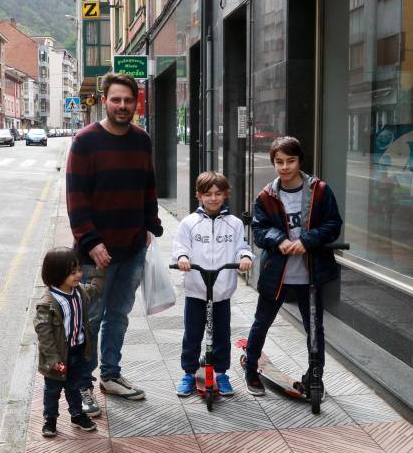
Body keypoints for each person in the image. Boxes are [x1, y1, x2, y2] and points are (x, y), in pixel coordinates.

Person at [66, 72, 163, 415]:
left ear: (136, 102)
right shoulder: (85, 141)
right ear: (104, 101)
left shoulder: (142, 140)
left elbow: (148, 186)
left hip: (133, 247)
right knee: (91, 319)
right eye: (116, 100)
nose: (122, 106)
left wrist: (151, 225)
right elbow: (76, 199)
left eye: (128, 100)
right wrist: (91, 242)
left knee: (119, 315)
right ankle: (82, 384)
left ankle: (110, 375)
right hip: (96, 255)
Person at [244, 137, 343, 396]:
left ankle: (315, 376)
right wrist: (279, 241)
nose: (285, 167)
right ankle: (251, 370)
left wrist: (307, 241)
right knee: (261, 322)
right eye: (279, 162)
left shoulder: (320, 190)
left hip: (311, 274)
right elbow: (258, 229)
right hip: (277, 273)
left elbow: (333, 225)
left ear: (300, 161)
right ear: (273, 163)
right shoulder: (267, 195)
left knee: (314, 328)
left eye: (290, 161)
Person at [172, 171, 254, 396]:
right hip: (196, 289)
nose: (213, 198)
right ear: (199, 195)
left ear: (226, 194)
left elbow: (241, 247)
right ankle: (189, 373)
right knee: (193, 333)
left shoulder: (234, 224)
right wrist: (182, 258)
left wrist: (245, 257)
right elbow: (180, 246)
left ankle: (221, 373)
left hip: (221, 291)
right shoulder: (189, 223)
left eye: (218, 193)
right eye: (207, 194)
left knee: (221, 334)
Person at [33, 247, 104, 437]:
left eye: (79, 270)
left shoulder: (78, 291)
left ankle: (77, 415)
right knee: (53, 389)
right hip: (57, 356)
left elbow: (95, 289)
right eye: (72, 273)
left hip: (77, 351)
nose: (78, 275)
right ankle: (50, 419)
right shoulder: (48, 302)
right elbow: (44, 333)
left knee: (75, 386)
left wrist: (99, 271)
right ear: (56, 274)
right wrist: (54, 359)